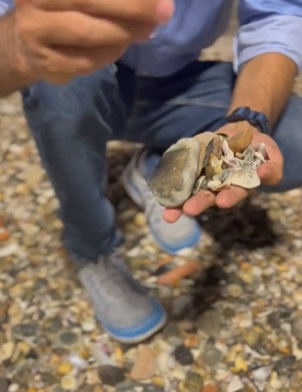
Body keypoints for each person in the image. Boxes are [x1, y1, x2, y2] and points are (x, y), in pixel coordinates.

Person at [1, 0, 302, 344]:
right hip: (78, 80)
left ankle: (159, 168)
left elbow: (277, 14)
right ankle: (91, 247)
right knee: (60, 74)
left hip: (176, 85)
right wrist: (18, 41)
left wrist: (249, 120)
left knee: (294, 139)